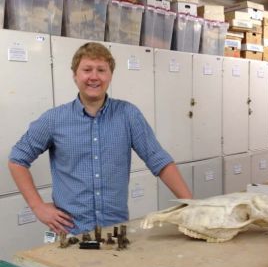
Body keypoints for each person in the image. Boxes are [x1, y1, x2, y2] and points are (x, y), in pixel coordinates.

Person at [8, 42, 192, 235]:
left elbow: (159, 160)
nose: (94, 77)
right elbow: (17, 159)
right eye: (87, 69)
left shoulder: (128, 115)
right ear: (75, 75)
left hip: (115, 232)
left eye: (101, 70)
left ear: (110, 75)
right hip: (71, 232)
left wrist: (191, 205)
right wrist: (37, 207)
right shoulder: (54, 119)